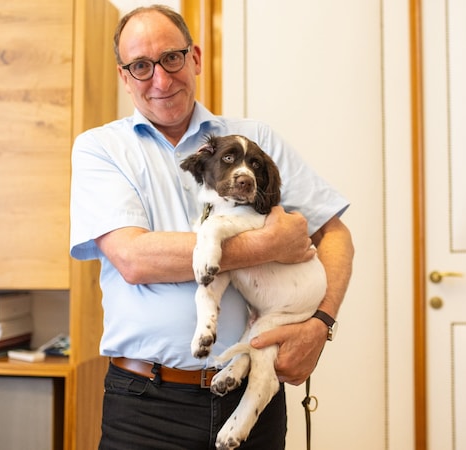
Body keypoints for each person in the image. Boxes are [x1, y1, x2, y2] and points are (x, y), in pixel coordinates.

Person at [69, 4, 354, 449]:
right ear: (124, 77)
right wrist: (269, 243)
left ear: (195, 57)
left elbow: (334, 234)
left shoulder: (254, 140)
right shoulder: (101, 150)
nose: (161, 80)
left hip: (251, 394)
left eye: (172, 58)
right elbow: (133, 259)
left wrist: (321, 324)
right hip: (146, 404)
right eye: (141, 66)